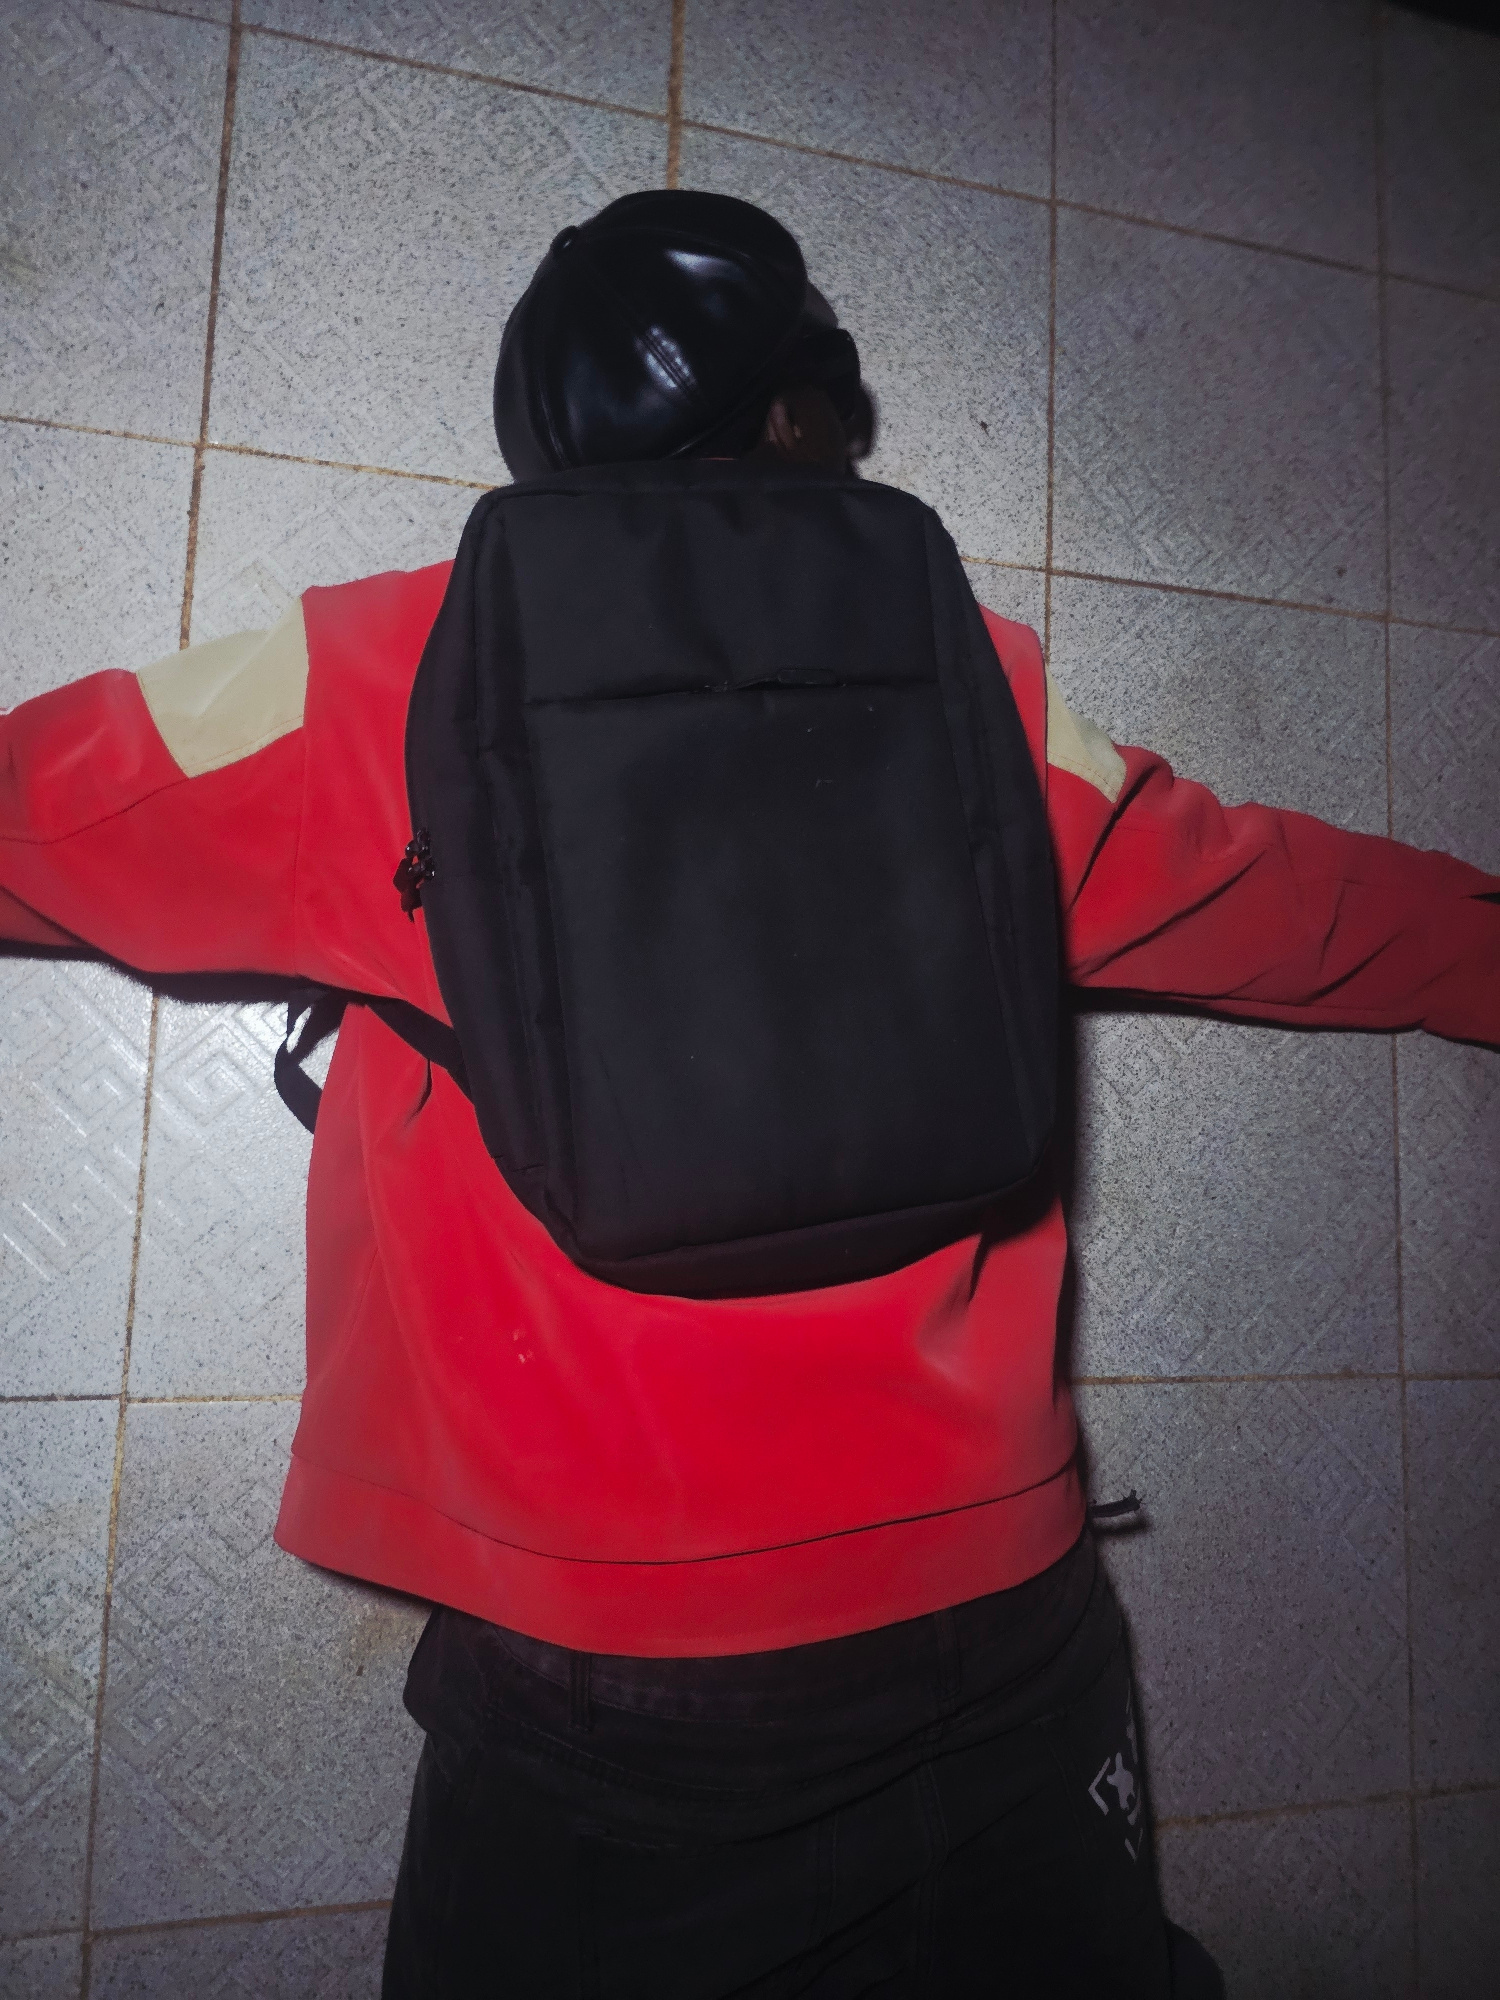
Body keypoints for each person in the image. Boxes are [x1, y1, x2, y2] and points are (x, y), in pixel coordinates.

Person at [1, 191, 1494, 1999]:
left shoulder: (386, 677)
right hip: (994, 1618)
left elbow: (39, 814)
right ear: (804, 413)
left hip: (611, 1671)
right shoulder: (978, 688)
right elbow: (1282, 900)